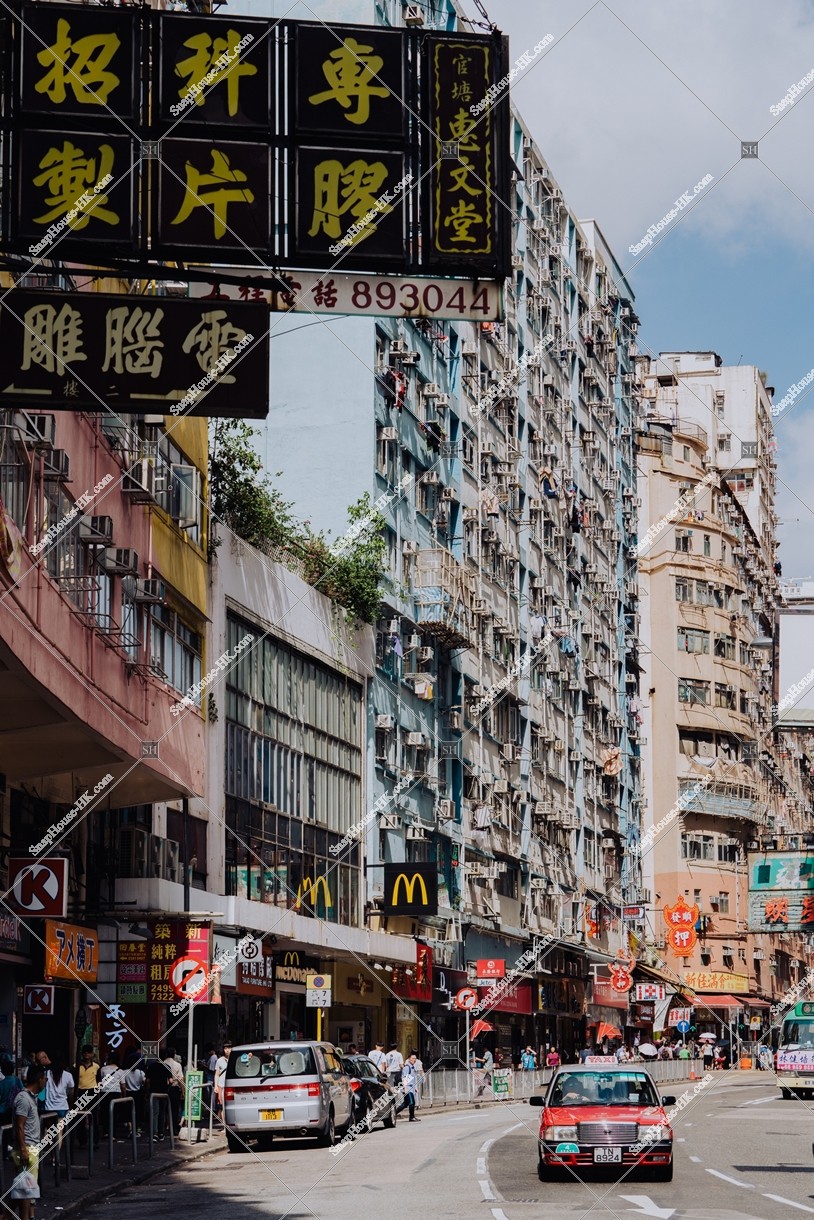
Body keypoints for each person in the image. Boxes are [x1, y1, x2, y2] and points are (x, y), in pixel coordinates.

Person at [11, 1063, 43, 1220]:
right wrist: (23, 1149)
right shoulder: (23, 1099)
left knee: (24, 1189)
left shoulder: (32, 1098)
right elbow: (19, 1126)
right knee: (25, 1191)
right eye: (44, 1079)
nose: (45, 1083)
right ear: (39, 1079)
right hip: (26, 1148)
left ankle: (6, 1216)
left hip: (31, 1148)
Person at [75, 1046, 101, 1148]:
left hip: (92, 1092)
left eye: (88, 1052)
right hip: (80, 1092)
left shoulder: (96, 1067)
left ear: (91, 1054)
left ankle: (95, 1141)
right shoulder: (76, 1066)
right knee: (80, 1118)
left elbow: (99, 1080)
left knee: (93, 1118)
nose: (86, 1054)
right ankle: (82, 1141)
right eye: (84, 1052)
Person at [122, 1048, 146, 1138]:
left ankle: (130, 1129)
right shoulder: (140, 1072)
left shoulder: (124, 1072)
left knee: (128, 1112)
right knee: (137, 1112)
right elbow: (144, 1082)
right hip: (138, 1094)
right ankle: (135, 1130)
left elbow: (123, 1085)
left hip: (128, 1093)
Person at [162, 1048, 184, 1135]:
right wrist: (183, 1091)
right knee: (174, 1110)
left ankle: (162, 1129)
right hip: (174, 1088)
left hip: (163, 1088)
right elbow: (180, 1079)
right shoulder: (177, 1065)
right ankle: (174, 1129)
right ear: (174, 1054)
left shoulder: (162, 1063)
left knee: (163, 1109)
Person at [395, 1053, 420, 1122]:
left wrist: (415, 1087)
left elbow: (413, 1078)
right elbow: (404, 1078)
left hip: (411, 1088)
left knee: (405, 1103)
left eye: (415, 1058)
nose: (414, 1060)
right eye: (412, 1058)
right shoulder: (407, 1067)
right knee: (412, 1102)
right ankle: (411, 1117)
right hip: (407, 1088)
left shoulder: (413, 1067)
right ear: (409, 1059)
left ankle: (394, 1113)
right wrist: (405, 1088)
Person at [214, 1043, 232, 1124]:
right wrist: (215, 1086)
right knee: (222, 1107)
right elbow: (217, 1074)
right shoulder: (219, 1061)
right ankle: (225, 1126)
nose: (227, 1050)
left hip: (231, 1086)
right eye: (225, 1048)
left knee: (230, 1106)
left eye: (229, 1048)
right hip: (221, 1085)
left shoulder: (235, 1059)